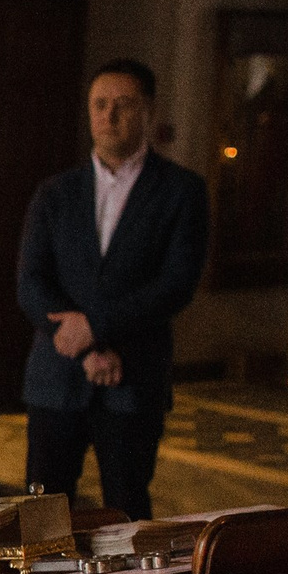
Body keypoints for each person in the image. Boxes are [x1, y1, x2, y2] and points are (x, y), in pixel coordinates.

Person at [15, 58, 209, 520]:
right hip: (57, 375)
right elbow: (30, 281)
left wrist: (97, 328)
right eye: (100, 105)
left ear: (148, 112)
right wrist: (84, 348)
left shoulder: (182, 191)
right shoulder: (55, 192)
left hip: (133, 375)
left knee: (126, 511)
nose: (109, 117)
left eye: (123, 106)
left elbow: (177, 283)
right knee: (42, 512)